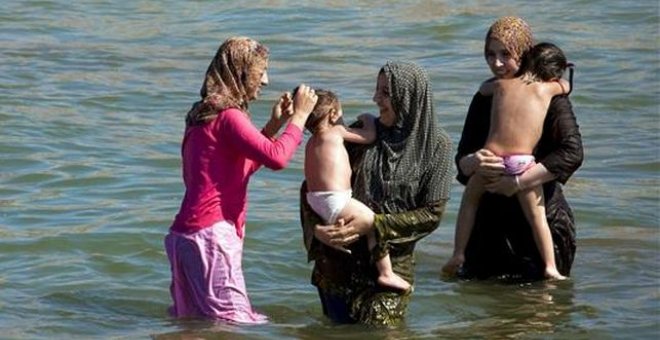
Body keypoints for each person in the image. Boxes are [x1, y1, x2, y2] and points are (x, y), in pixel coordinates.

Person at [164, 36, 318, 324]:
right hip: (211, 237)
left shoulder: (202, 113)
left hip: (184, 238)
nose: (266, 81)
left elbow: (236, 170)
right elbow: (277, 158)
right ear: (241, 72)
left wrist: (273, 126)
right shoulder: (230, 116)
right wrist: (299, 118)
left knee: (194, 326)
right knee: (233, 324)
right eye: (261, 72)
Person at [300, 61, 453, 325]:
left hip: (390, 276)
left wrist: (375, 223)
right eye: (377, 90)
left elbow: (432, 214)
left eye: (385, 93)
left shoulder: (436, 147)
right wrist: (315, 229)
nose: (375, 99)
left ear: (407, 97)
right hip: (336, 267)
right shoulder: (359, 134)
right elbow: (314, 186)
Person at [454, 16, 583, 281]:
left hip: (541, 221)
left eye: (505, 54)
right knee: (487, 317)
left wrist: (520, 181)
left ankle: (549, 267)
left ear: (525, 54)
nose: (496, 63)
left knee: (540, 314)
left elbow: (571, 152)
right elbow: (461, 158)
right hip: (489, 231)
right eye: (490, 54)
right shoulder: (487, 96)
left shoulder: (551, 97)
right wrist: (473, 161)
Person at [303, 89, 412, 292]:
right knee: (374, 223)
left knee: (345, 222)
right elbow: (369, 136)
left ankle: (336, 242)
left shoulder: (311, 142)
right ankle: (386, 273)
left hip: (314, 200)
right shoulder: (335, 132)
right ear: (334, 114)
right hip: (336, 199)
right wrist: (368, 118)